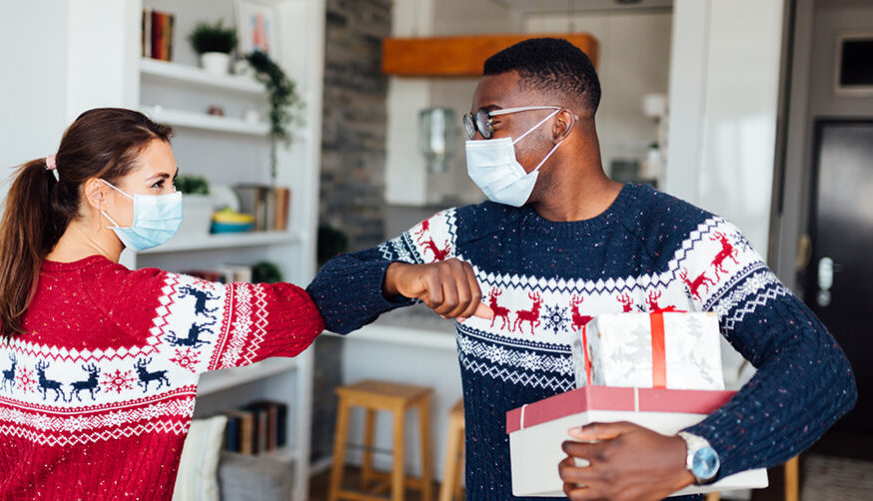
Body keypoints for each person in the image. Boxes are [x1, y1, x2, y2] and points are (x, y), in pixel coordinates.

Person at [307, 38, 856, 500]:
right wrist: (399, 276)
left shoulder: (684, 240)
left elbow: (821, 369)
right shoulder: (465, 234)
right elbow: (324, 299)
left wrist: (691, 456)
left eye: (487, 121)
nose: (473, 142)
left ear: (560, 124)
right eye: (469, 124)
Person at [0, 108, 325, 500]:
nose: (173, 198)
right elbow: (297, 316)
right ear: (99, 193)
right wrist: (375, 278)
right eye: (158, 184)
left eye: (173, 182)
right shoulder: (137, 300)